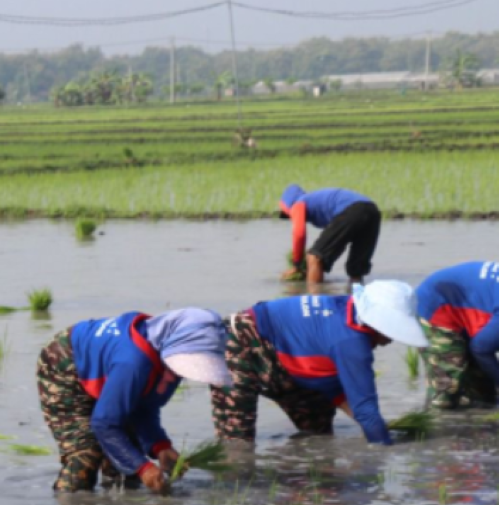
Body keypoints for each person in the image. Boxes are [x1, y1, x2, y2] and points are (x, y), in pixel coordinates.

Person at [36, 308, 233, 495]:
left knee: (127, 452)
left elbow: (144, 407)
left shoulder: (169, 363)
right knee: (85, 454)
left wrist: (160, 447)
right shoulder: (133, 363)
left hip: (113, 370)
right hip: (64, 365)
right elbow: (104, 423)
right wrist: (143, 468)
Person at [210, 281, 428, 446]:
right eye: (390, 330)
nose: (389, 340)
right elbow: (365, 409)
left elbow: (338, 388)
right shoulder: (351, 342)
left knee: (317, 434)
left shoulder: (348, 308)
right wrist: (384, 449)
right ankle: (235, 496)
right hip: (240, 342)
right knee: (237, 443)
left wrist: (374, 427)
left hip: (289, 359)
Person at [416, 261, 499, 409]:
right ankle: (436, 427)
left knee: (484, 394)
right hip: (438, 307)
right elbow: (481, 349)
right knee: (446, 394)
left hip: (472, 308)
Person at [278, 184, 382, 291]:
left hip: (353, 209)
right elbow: (340, 236)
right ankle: (356, 300)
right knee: (356, 269)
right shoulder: (316, 202)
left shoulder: (298, 203)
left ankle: (315, 302)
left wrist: (297, 265)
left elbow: (299, 234)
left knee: (315, 257)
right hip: (372, 211)